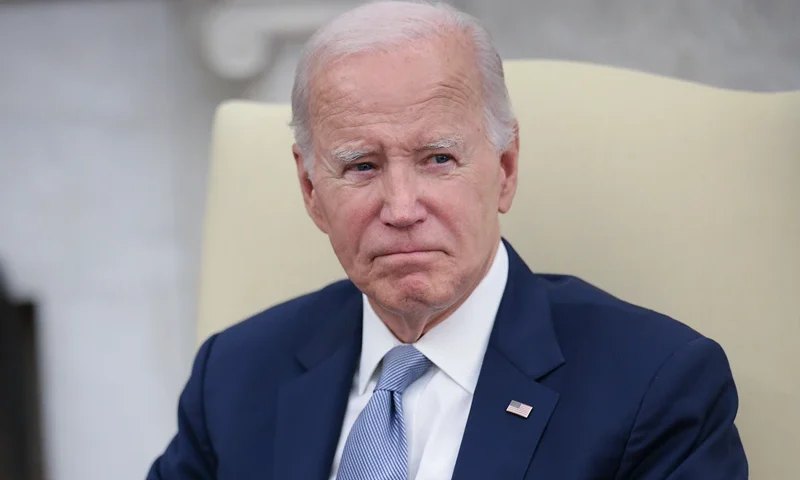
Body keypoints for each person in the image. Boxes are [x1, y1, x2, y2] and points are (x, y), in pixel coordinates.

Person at [147, 1, 748, 479]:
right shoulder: (233, 375)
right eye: (360, 167)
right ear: (310, 190)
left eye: (438, 158)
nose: (402, 208)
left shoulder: (657, 384)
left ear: (505, 169)